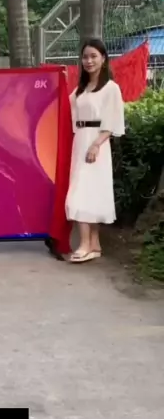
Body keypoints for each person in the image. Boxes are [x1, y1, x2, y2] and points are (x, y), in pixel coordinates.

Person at [65, 37, 125, 263]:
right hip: (79, 141)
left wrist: (96, 144)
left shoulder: (111, 88)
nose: (88, 61)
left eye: (93, 56)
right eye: (85, 57)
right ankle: (94, 244)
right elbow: (65, 106)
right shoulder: (80, 89)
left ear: (103, 59)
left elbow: (112, 121)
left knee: (83, 193)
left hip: (96, 144)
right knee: (87, 191)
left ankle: (84, 245)